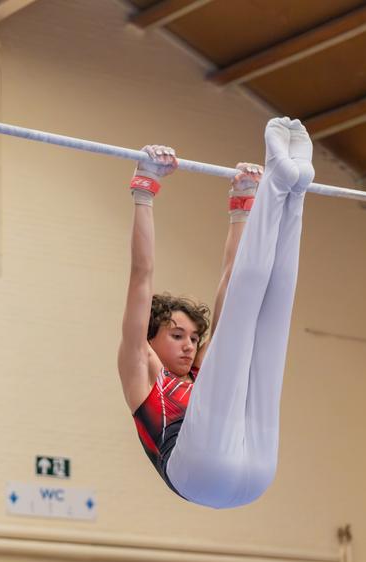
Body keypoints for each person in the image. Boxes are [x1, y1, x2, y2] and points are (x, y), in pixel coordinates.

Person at [118, 117, 314, 509]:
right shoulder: (142, 365)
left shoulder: (201, 375)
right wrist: (145, 190)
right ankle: (285, 190)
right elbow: (142, 276)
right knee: (257, 336)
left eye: (193, 337)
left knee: (253, 316)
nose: (190, 346)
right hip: (242, 470)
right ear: (151, 338)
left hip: (214, 471)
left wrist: (241, 206)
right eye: (177, 336)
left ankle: (290, 189)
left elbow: (231, 280)